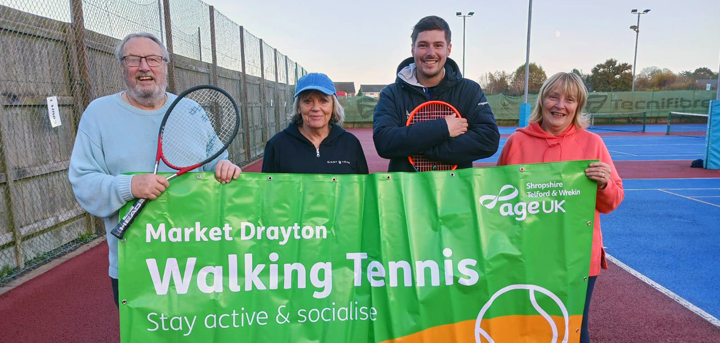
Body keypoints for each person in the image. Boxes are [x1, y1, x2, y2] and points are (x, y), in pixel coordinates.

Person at [68, 32, 241, 308]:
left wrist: (226, 167)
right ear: (122, 66)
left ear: (165, 65)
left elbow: (218, 162)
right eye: (133, 59)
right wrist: (130, 186)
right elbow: (83, 182)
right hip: (134, 264)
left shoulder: (191, 110)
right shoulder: (97, 114)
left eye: (153, 59)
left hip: (200, 261)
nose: (144, 66)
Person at [496, 72, 624, 343]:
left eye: (570, 99)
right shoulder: (516, 142)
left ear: (578, 106)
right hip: (526, 254)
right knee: (525, 330)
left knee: (575, 331)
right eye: (554, 96)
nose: (560, 105)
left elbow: (612, 202)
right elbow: (498, 198)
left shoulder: (593, 144)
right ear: (542, 100)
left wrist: (604, 185)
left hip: (577, 257)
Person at [372, 15, 499, 172]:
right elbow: (385, 142)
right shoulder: (391, 94)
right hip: (405, 191)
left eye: (438, 45)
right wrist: (443, 128)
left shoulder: (469, 90)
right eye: (423, 45)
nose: (431, 53)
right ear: (413, 49)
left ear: (449, 49)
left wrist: (423, 148)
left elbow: (488, 140)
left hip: (456, 191)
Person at [262, 72, 369, 174]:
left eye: (323, 101)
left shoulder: (350, 143)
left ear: (333, 106)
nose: (316, 108)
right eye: (307, 101)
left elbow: (363, 189)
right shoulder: (277, 145)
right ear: (299, 107)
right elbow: (267, 190)